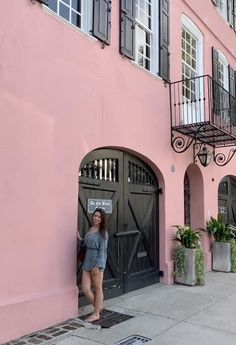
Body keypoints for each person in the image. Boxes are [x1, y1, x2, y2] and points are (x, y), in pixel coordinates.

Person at [80, 208, 108, 322]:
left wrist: (98, 265)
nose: (96, 218)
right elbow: (87, 243)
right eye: (95, 216)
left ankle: (96, 313)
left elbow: (103, 250)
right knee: (86, 289)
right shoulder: (91, 229)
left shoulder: (103, 233)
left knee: (97, 288)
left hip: (97, 261)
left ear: (102, 219)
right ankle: (99, 307)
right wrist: (80, 238)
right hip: (87, 260)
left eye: (99, 217)